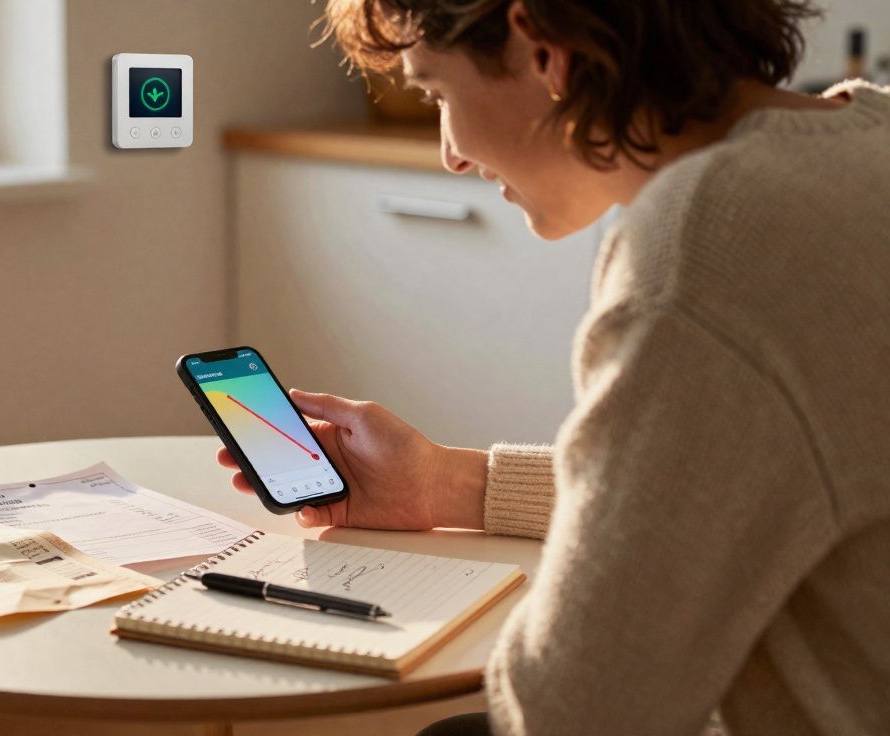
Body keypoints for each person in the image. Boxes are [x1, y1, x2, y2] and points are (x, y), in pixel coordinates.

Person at [217, 1, 890, 734]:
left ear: (543, 50)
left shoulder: (706, 250)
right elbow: (728, 483)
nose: (450, 153)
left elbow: (574, 714)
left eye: (438, 93)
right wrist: (444, 483)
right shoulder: (870, 129)